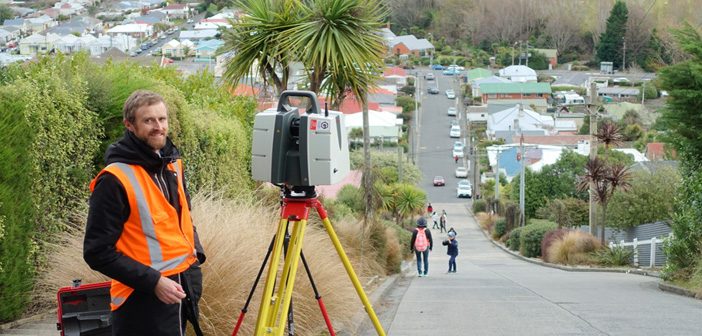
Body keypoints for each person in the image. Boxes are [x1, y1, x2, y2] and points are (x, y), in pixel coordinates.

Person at [84, 90, 206, 336]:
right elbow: (97, 252)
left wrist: (196, 255)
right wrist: (154, 282)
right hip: (140, 300)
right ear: (129, 125)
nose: (158, 127)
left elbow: (183, 219)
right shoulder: (114, 179)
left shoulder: (173, 164)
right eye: (148, 120)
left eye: (162, 119)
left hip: (180, 287)